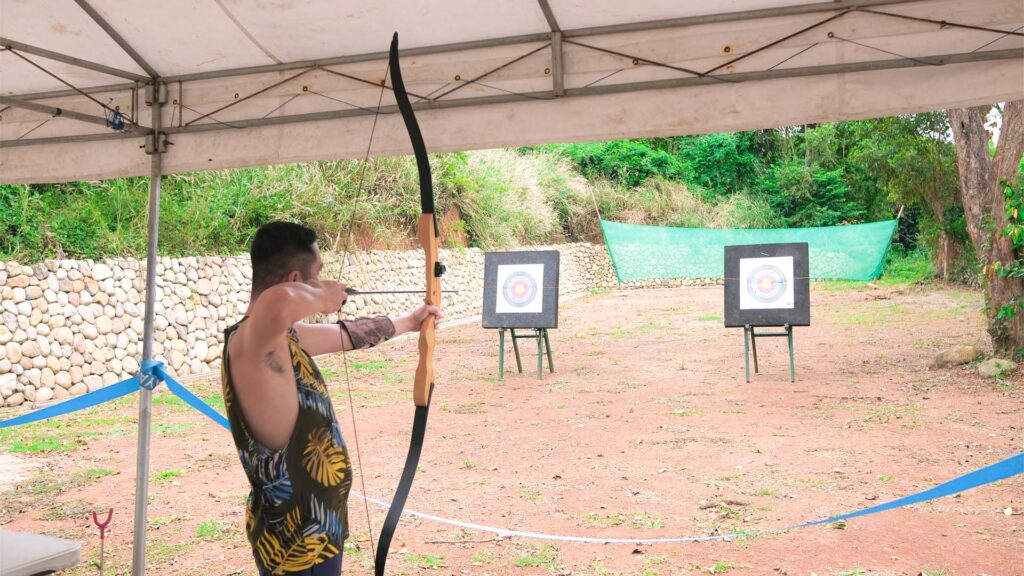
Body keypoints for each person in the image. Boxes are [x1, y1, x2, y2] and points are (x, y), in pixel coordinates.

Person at [220, 221, 440, 576]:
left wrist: (408, 322)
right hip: (297, 544)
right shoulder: (253, 340)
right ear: (294, 279)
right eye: (318, 273)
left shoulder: (278, 339)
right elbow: (278, 301)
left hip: (314, 534)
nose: (324, 281)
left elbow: (344, 334)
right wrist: (324, 296)